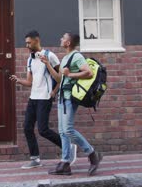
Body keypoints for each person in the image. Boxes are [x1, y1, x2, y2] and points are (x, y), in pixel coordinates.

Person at [10, 30, 77, 169]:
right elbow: (30, 82)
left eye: (29, 42)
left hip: (45, 98)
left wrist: (54, 91)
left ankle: (69, 147)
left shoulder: (50, 56)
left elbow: (61, 76)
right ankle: (35, 159)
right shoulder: (30, 59)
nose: (27, 45)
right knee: (27, 127)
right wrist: (18, 81)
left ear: (36, 40)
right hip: (33, 97)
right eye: (26, 43)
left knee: (43, 130)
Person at [46, 32, 103, 176]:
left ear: (68, 43)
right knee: (63, 132)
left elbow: (88, 73)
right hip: (61, 98)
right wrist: (47, 64)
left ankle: (92, 154)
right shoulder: (65, 58)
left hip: (70, 98)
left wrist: (70, 74)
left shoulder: (76, 56)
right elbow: (60, 78)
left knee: (69, 130)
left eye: (63, 38)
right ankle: (65, 163)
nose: (61, 39)